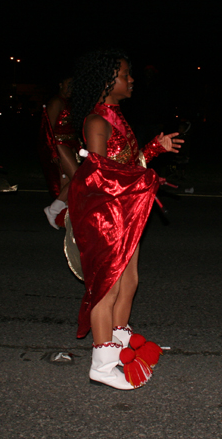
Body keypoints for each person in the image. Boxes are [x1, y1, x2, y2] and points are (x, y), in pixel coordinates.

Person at [67, 48, 183, 390]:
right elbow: (100, 175)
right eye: (124, 74)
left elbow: (130, 165)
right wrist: (144, 179)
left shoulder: (117, 117)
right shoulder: (96, 121)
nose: (131, 79)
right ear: (107, 81)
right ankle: (101, 364)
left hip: (127, 212)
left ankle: (118, 345)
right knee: (107, 289)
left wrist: (154, 149)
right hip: (106, 216)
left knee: (130, 282)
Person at [40, 76, 81, 228]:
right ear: (60, 84)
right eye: (68, 84)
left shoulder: (68, 103)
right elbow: (47, 128)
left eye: (74, 85)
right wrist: (52, 150)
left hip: (70, 144)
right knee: (78, 176)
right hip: (59, 143)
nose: (71, 88)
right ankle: (53, 209)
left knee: (68, 182)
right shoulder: (56, 102)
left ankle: (64, 216)